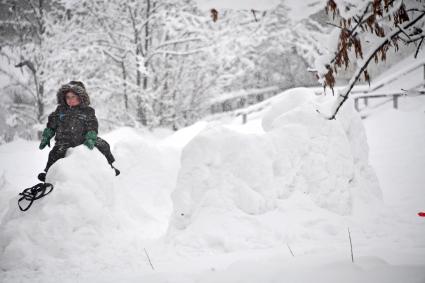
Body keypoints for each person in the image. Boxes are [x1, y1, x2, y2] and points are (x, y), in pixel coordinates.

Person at [38, 81, 120, 182]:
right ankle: (48, 173)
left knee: (103, 145)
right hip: (64, 141)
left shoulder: (88, 111)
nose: (70, 100)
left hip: (83, 139)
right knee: (55, 153)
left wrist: (90, 137)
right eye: (68, 97)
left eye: (73, 97)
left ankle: (110, 167)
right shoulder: (60, 110)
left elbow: (92, 125)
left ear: (81, 97)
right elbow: (52, 124)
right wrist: (47, 135)